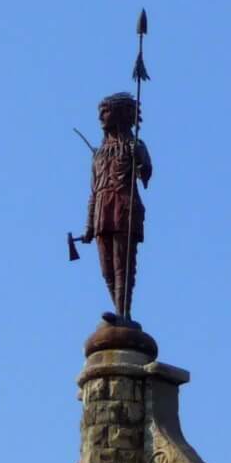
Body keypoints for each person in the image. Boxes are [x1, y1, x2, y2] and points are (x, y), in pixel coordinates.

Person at [80, 92, 153, 322]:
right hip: (103, 208)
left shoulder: (134, 145)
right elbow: (93, 191)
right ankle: (118, 310)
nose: (101, 117)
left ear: (120, 115)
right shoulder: (99, 154)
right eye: (100, 112)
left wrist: (138, 157)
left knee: (124, 263)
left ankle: (124, 313)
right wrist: (89, 225)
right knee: (107, 269)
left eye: (106, 111)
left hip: (124, 205)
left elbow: (146, 173)